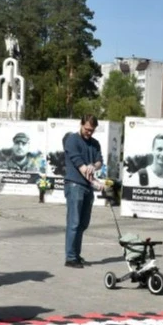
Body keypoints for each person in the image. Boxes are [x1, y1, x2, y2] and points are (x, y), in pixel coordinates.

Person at [63, 114, 103, 268]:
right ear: (81, 124)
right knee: (74, 222)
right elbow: (81, 167)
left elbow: (99, 161)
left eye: (92, 130)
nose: (89, 133)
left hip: (87, 187)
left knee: (83, 223)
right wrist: (96, 182)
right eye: (87, 129)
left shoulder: (95, 143)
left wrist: (95, 165)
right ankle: (70, 257)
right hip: (75, 185)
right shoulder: (72, 140)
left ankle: (76, 255)